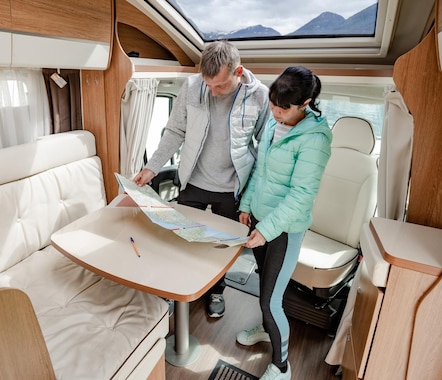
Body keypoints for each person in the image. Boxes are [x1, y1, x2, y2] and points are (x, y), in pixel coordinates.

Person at [133, 40, 270, 318]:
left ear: (239, 72)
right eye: (208, 84)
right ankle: (175, 289)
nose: (213, 91)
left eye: (220, 85)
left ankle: (215, 290)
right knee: (182, 240)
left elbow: (265, 148)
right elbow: (175, 132)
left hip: (232, 189)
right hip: (193, 181)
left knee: (219, 249)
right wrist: (152, 168)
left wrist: (250, 200)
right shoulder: (192, 87)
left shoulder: (259, 96)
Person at [235, 66, 332, 380]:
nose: (275, 112)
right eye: (273, 105)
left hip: (285, 229)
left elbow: (302, 196)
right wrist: (248, 206)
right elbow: (260, 170)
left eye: (283, 108)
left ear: (304, 104)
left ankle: (281, 366)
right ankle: (267, 331)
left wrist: (265, 230)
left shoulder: (315, 139)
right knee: (265, 287)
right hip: (262, 219)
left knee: (269, 299)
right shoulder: (274, 124)